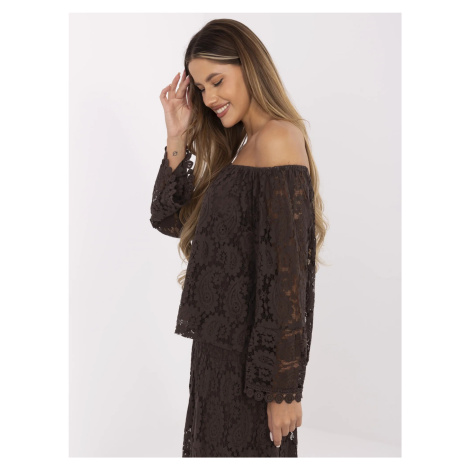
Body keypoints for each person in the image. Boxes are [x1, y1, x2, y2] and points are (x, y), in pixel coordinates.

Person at [150, 18, 328, 457]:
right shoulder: (243, 147)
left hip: (253, 367)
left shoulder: (278, 139)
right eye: (200, 88)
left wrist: (284, 390)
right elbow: (169, 218)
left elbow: (287, 278)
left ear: (250, 66)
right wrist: (176, 135)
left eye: (217, 81)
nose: (209, 98)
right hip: (217, 356)